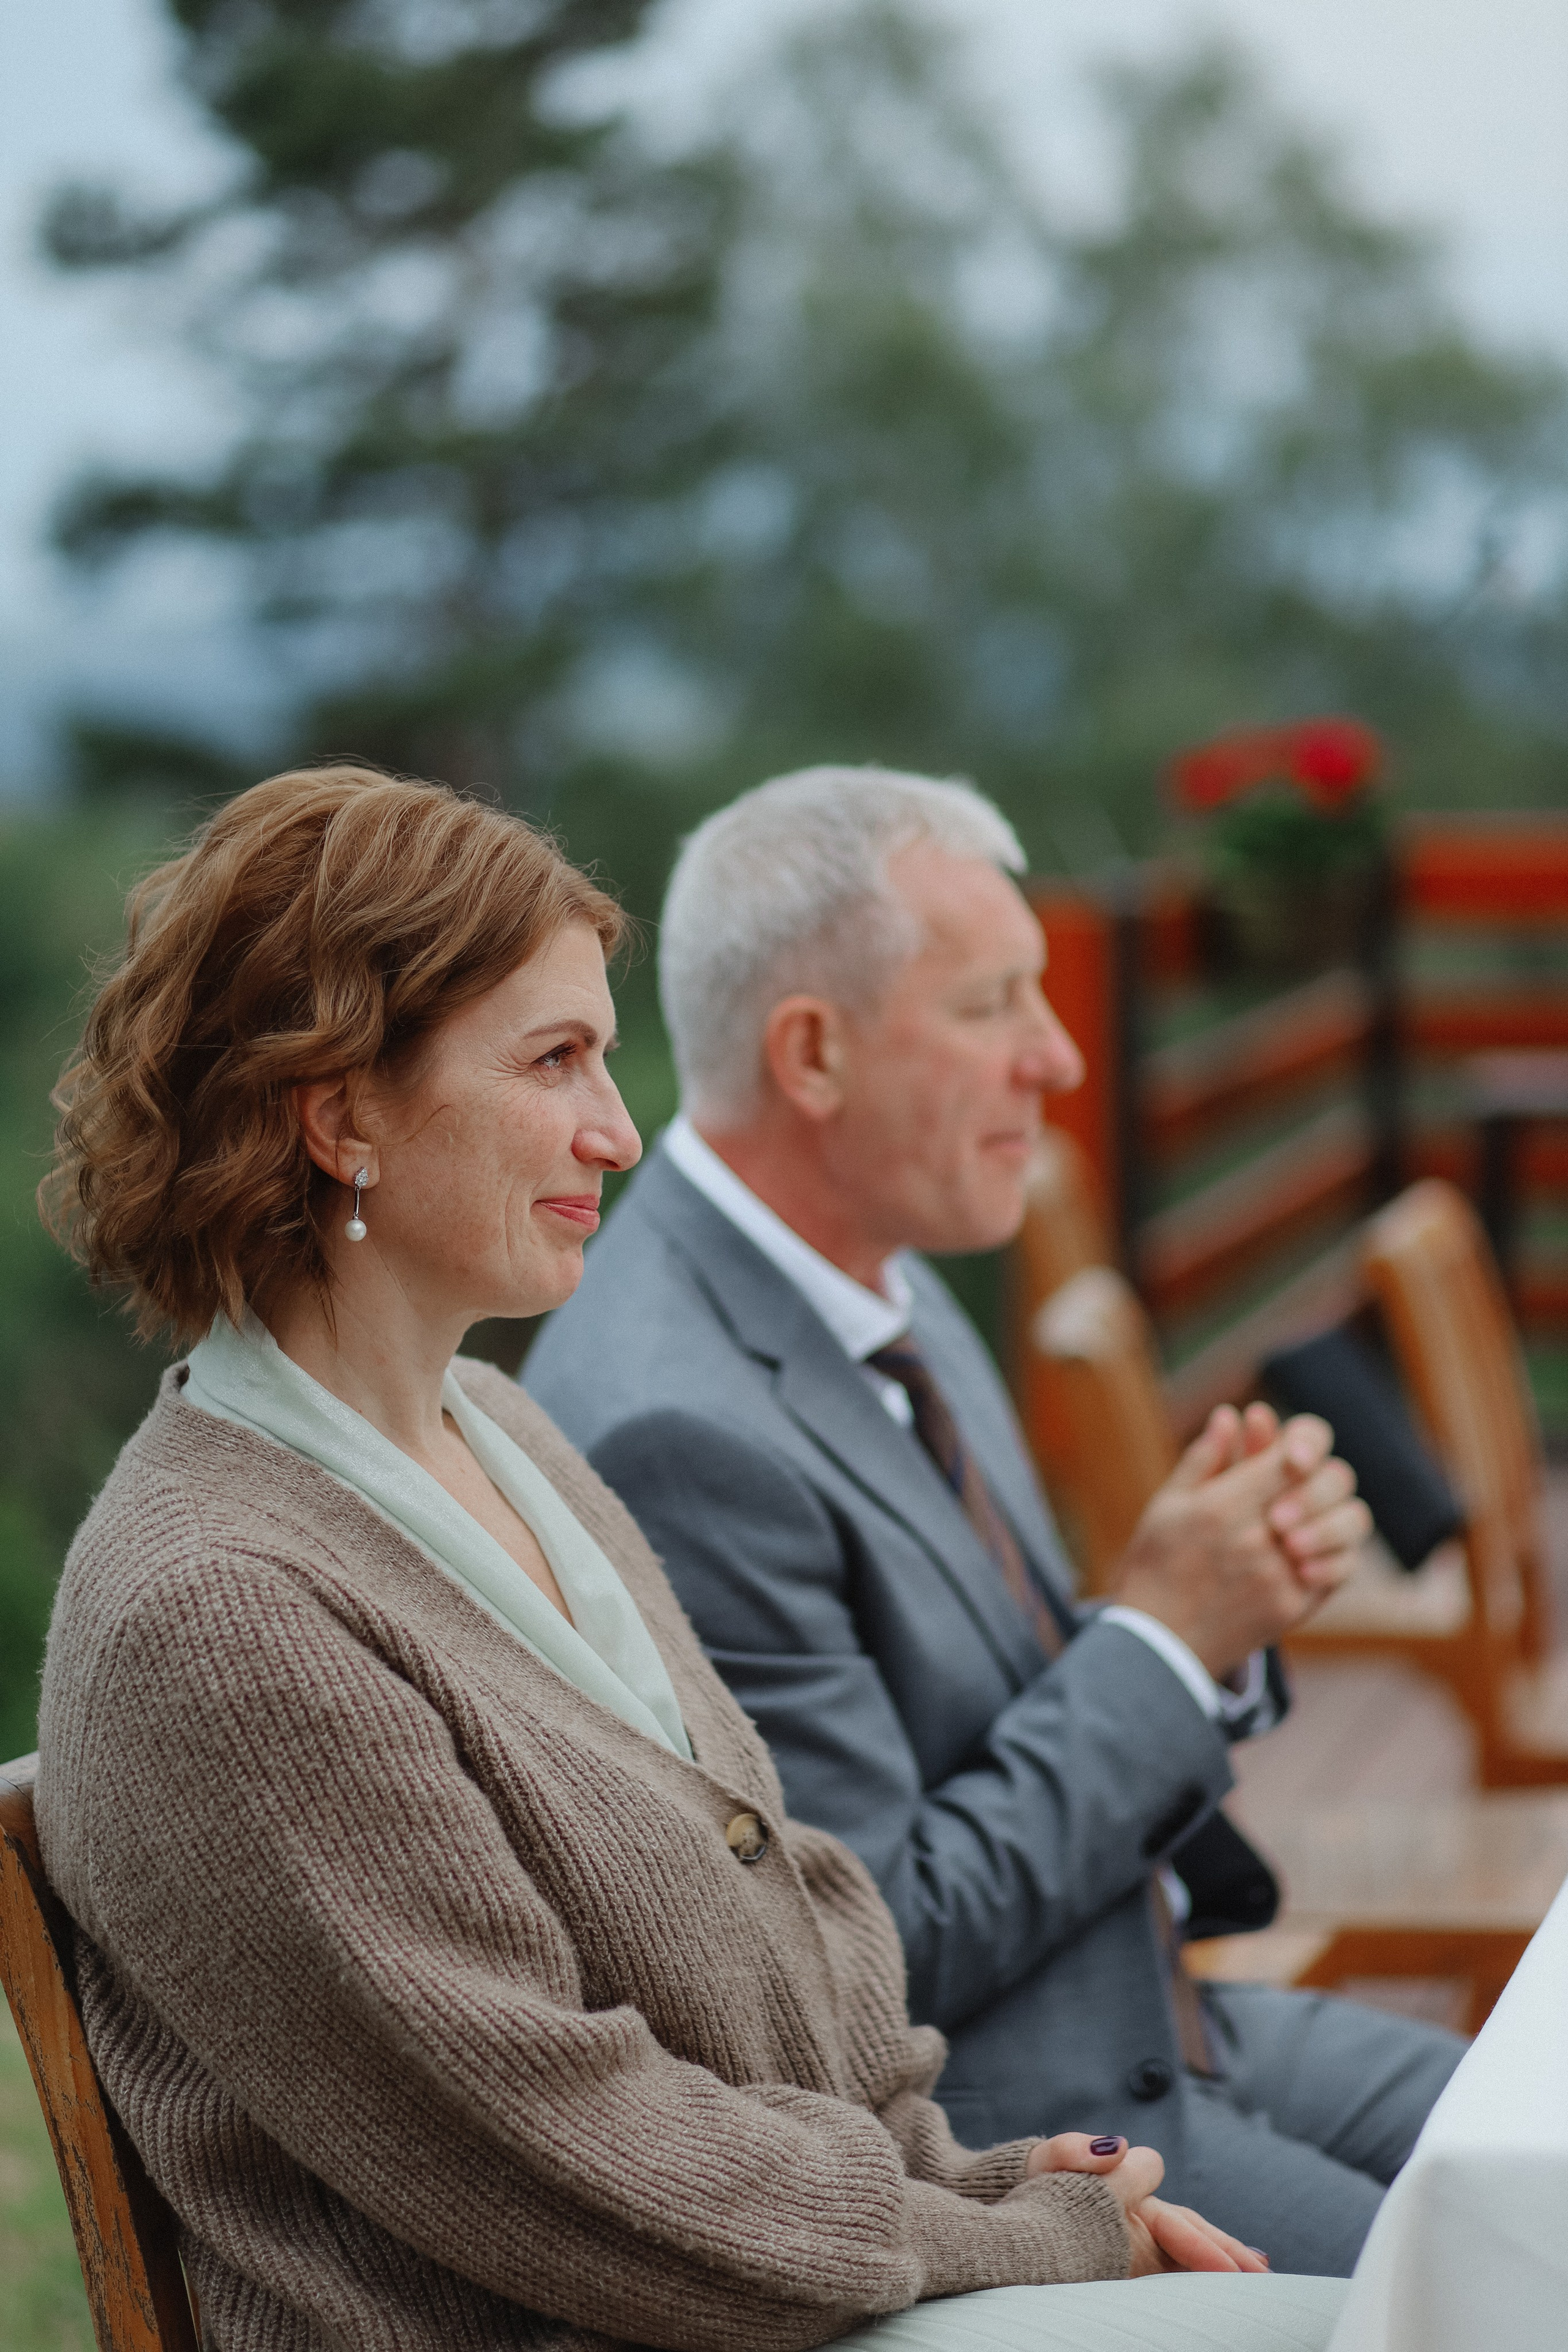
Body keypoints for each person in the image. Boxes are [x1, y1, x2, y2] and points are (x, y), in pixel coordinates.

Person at [31, 764, 1351, 2352]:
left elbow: (803, 1940)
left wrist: (994, 2184)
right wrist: (1029, 2235)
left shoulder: (511, 1441)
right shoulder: (220, 1618)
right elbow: (578, 2159)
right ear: (340, 1114)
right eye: (556, 1061)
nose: (621, 1127)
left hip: (796, 2288)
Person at [525, 764, 1466, 2279]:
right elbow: (871, 1952)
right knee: (1505, 2284)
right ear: (814, 1053)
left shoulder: (877, 1279)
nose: (1056, 1058)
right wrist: (1162, 1638)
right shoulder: (678, 1429)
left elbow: (996, 1719)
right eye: (992, 1007)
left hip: (1155, 2011)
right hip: (1013, 2137)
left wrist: (1196, 1616)